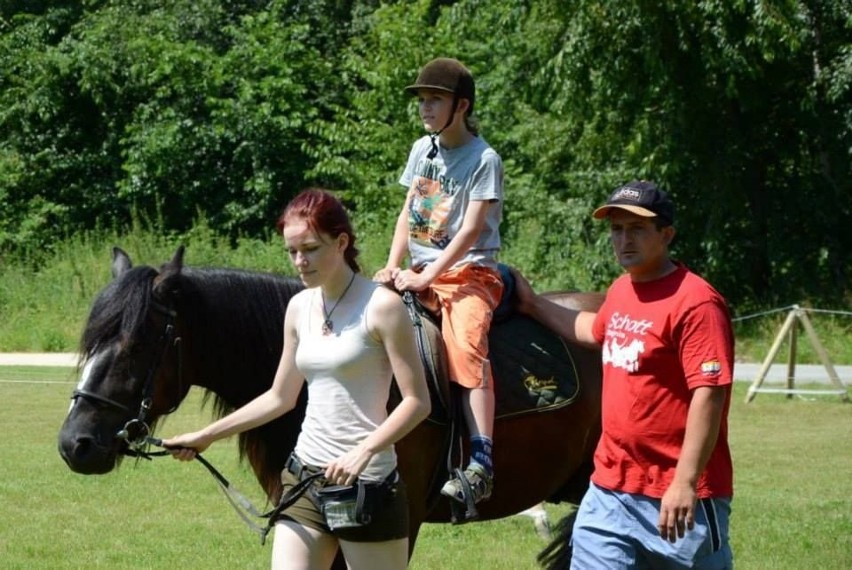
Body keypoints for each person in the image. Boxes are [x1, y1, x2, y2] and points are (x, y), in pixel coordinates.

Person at [163, 188, 431, 570]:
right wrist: (206, 436)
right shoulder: (299, 307)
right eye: (292, 251)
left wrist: (363, 451)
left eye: (310, 249)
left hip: (366, 487)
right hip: (304, 479)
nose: (299, 262)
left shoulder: (382, 307)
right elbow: (279, 397)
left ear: (341, 242)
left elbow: (417, 401)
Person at [512, 180, 734, 569]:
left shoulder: (697, 302)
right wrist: (532, 305)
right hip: (609, 491)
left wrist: (684, 482)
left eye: (636, 229)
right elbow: (593, 330)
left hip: (678, 496)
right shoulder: (622, 290)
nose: (623, 240)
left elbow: (709, 395)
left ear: (666, 235)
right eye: (616, 229)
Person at [373, 57, 504, 508]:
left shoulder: (484, 159)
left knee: (467, 344)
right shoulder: (421, 149)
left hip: (469, 272)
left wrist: (428, 273)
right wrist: (392, 266)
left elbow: (470, 231)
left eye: (436, 99)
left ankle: (482, 461)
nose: (426, 107)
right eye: (423, 100)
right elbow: (408, 214)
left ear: (462, 106)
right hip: (417, 272)